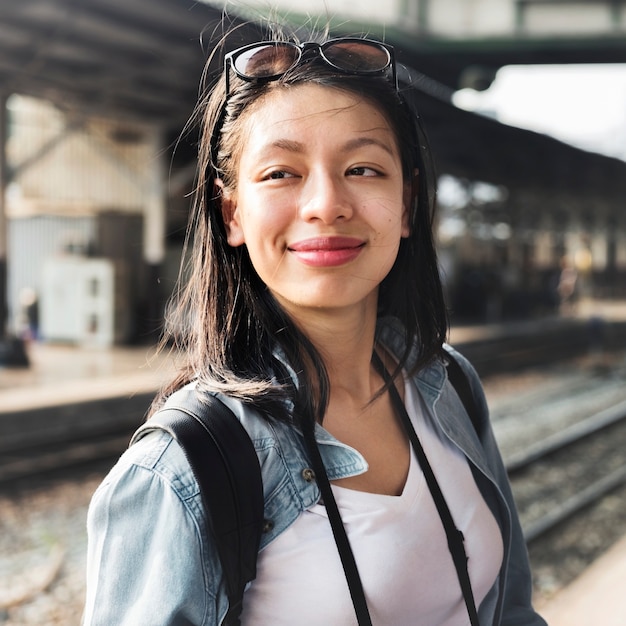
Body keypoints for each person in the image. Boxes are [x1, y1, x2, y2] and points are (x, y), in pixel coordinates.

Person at [83, 27, 547, 626]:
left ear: (406, 205)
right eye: (281, 173)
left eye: (362, 168)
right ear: (232, 214)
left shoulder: (447, 383)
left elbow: (509, 611)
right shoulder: (184, 469)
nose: (327, 204)